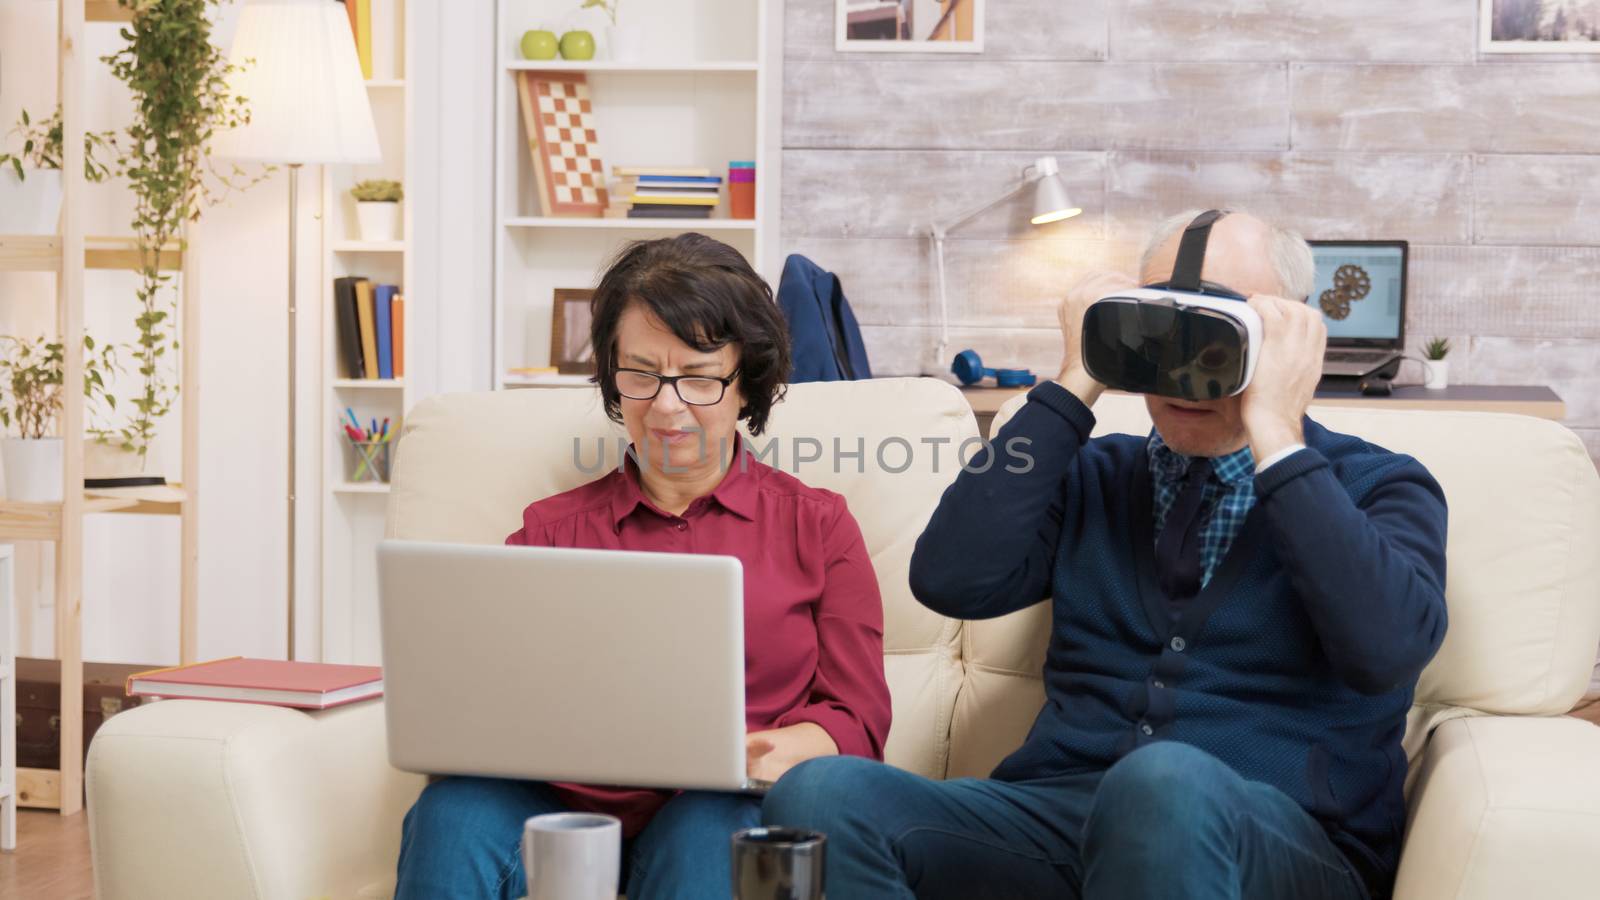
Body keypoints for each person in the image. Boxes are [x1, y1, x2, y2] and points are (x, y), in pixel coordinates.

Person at [762, 209, 1448, 900]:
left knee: (1162, 784)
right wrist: (1074, 380)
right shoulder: (1092, 474)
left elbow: (1383, 652)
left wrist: (1277, 429)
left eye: (1220, 336)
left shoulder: (1380, 487)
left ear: (1291, 339)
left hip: (1279, 842)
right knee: (822, 796)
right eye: (1162, 332)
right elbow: (949, 579)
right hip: (1060, 820)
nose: (1184, 375)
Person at [395, 233, 892, 900]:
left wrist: (767, 751)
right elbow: (484, 696)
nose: (664, 406)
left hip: (718, 801)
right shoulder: (549, 531)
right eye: (641, 374)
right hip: (554, 799)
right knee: (451, 811)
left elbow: (857, 718)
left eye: (697, 376)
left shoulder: (818, 526)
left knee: (709, 829)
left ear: (746, 382)